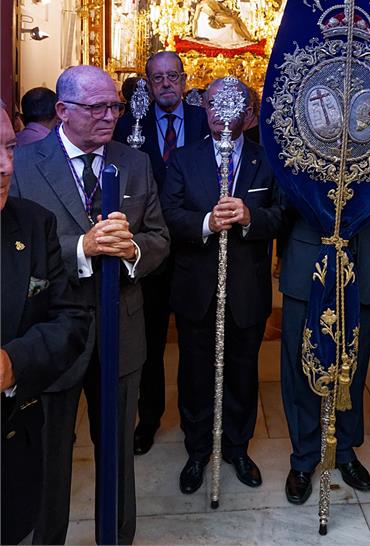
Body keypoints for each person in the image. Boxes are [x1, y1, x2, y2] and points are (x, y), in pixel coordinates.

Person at [11, 65, 170, 546]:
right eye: (96, 107)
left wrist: (131, 251)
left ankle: (117, 539)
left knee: (117, 453)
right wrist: (83, 246)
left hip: (122, 330)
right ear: (62, 111)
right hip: (52, 335)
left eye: (115, 107)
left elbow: (159, 236)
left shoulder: (135, 162)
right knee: (50, 454)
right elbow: (18, 250)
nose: (109, 116)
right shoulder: (22, 166)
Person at [161, 77, 285, 495]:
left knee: (242, 372)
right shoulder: (183, 159)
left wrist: (250, 217)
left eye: (232, 104)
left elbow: (281, 215)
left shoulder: (265, 160)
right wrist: (206, 223)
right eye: (213, 103)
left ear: (248, 113)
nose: (221, 112)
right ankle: (197, 450)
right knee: (195, 373)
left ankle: (236, 445)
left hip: (247, 290)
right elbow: (170, 214)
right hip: (197, 288)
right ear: (204, 107)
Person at [1, 103, 89, 546]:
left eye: (10, 148)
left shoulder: (34, 225)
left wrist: (13, 363)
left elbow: (69, 319)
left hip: (14, 443)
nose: (4, 166)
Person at [114, 51, 207, 456]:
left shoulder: (206, 122)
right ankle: (148, 418)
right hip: (148, 250)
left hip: (193, 246)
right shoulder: (128, 125)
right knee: (148, 340)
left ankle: (196, 422)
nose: (166, 84)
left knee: (194, 339)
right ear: (148, 85)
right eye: (158, 78)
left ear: (185, 80)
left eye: (173, 76)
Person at [279, 212, 370, 503]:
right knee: (302, 366)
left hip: (361, 259)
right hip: (307, 259)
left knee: (352, 366)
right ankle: (304, 457)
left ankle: (345, 450)